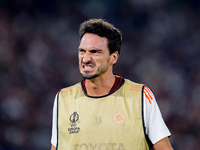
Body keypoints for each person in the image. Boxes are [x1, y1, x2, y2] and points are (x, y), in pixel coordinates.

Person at [51, 19, 173, 150]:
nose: (85, 59)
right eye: (82, 51)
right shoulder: (63, 99)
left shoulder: (140, 96)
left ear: (113, 57)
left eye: (95, 52)